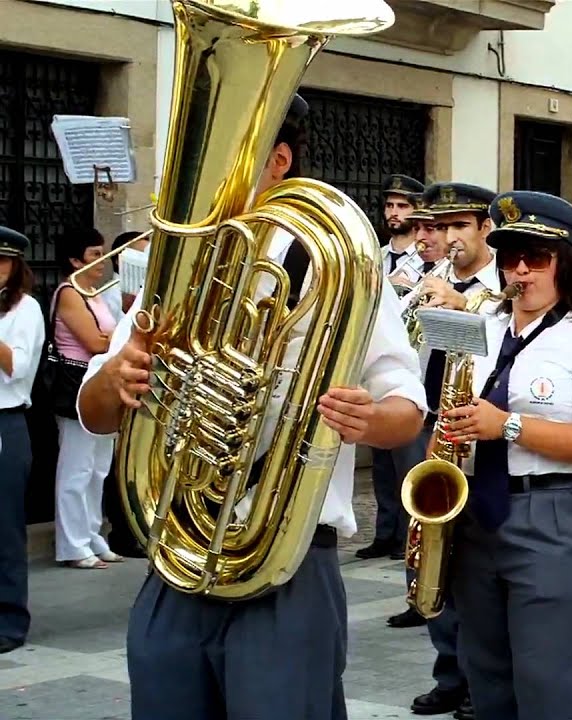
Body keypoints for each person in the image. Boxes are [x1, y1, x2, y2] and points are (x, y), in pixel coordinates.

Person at [76, 93, 429, 719]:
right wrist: (119, 378)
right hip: (177, 552)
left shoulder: (336, 269)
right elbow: (97, 410)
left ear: (279, 161)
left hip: (286, 561)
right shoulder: (175, 265)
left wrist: (369, 420)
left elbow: (407, 405)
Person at [439, 190, 572, 720]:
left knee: (550, 689)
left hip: (560, 518)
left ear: (564, 263)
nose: (519, 270)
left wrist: (508, 426)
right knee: (489, 685)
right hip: (480, 518)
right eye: (509, 258)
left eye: (535, 258)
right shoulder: (484, 332)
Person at [403, 181, 501, 718]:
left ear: (485, 228)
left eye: (459, 226)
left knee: (475, 563)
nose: (448, 238)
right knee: (431, 548)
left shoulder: (503, 285)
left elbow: (506, 342)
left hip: (478, 429)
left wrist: (465, 308)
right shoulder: (429, 278)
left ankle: (479, 679)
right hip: (431, 422)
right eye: (441, 227)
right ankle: (449, 672)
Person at [359, 173, 430, 564]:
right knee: (383, 466)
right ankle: (385, 532)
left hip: (411, 374)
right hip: (378, 368)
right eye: (389, 206)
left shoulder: (427, 262)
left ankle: (407, 535)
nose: (393, 213)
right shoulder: (377, 255)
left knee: (408, 465)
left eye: (402, 206)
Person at [51, 228, 119, 569]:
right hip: (77, 382)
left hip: (99, 381)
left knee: (98, 468)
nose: (101, 262)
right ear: (74, 260)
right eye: (94, 255)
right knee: (76, 468)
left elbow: (111, 335)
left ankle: (93, 535)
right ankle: (72, 543)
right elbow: (95, 341)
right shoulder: (70, 292)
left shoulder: (94, 292)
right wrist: (114, 338)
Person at [0, 227, 43, 654]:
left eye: (1, 262)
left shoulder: (25, 309)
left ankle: (10, 620)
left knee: (5, 526)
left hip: (5, 420)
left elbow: (19, 367)